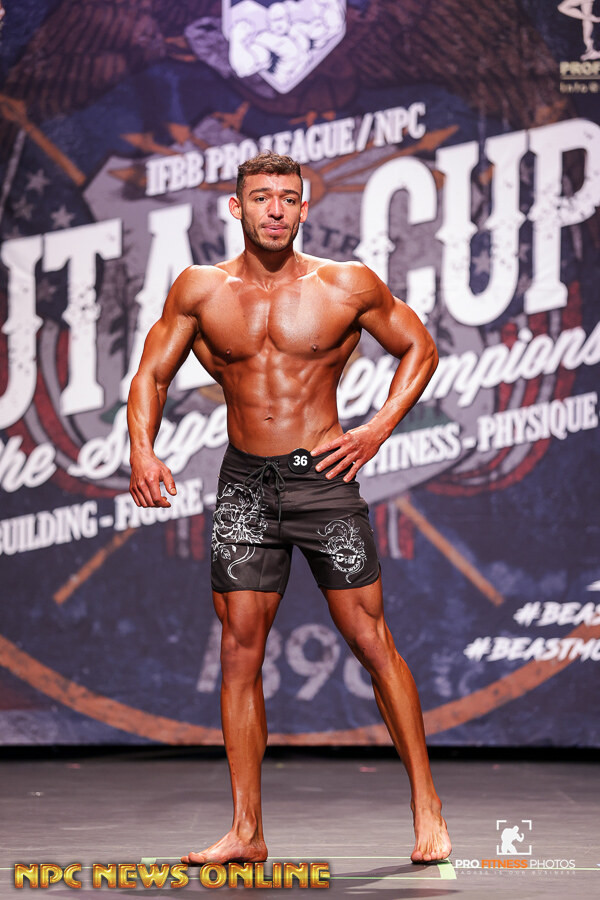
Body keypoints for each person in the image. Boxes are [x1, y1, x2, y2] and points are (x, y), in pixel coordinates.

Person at [127, 151, 452, 865]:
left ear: (305, 208)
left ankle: (427, 807)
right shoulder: (200, 290)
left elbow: (420, 349)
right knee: (238, 650)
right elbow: (151, 373)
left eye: (287, 198)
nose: (274, 209)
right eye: (260, 197)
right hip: (246, 485)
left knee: (370, 639)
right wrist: (142, 450)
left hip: (322, 482)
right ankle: (246, 831)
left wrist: (374, 431)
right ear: (236, 208)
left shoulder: (345, 284)